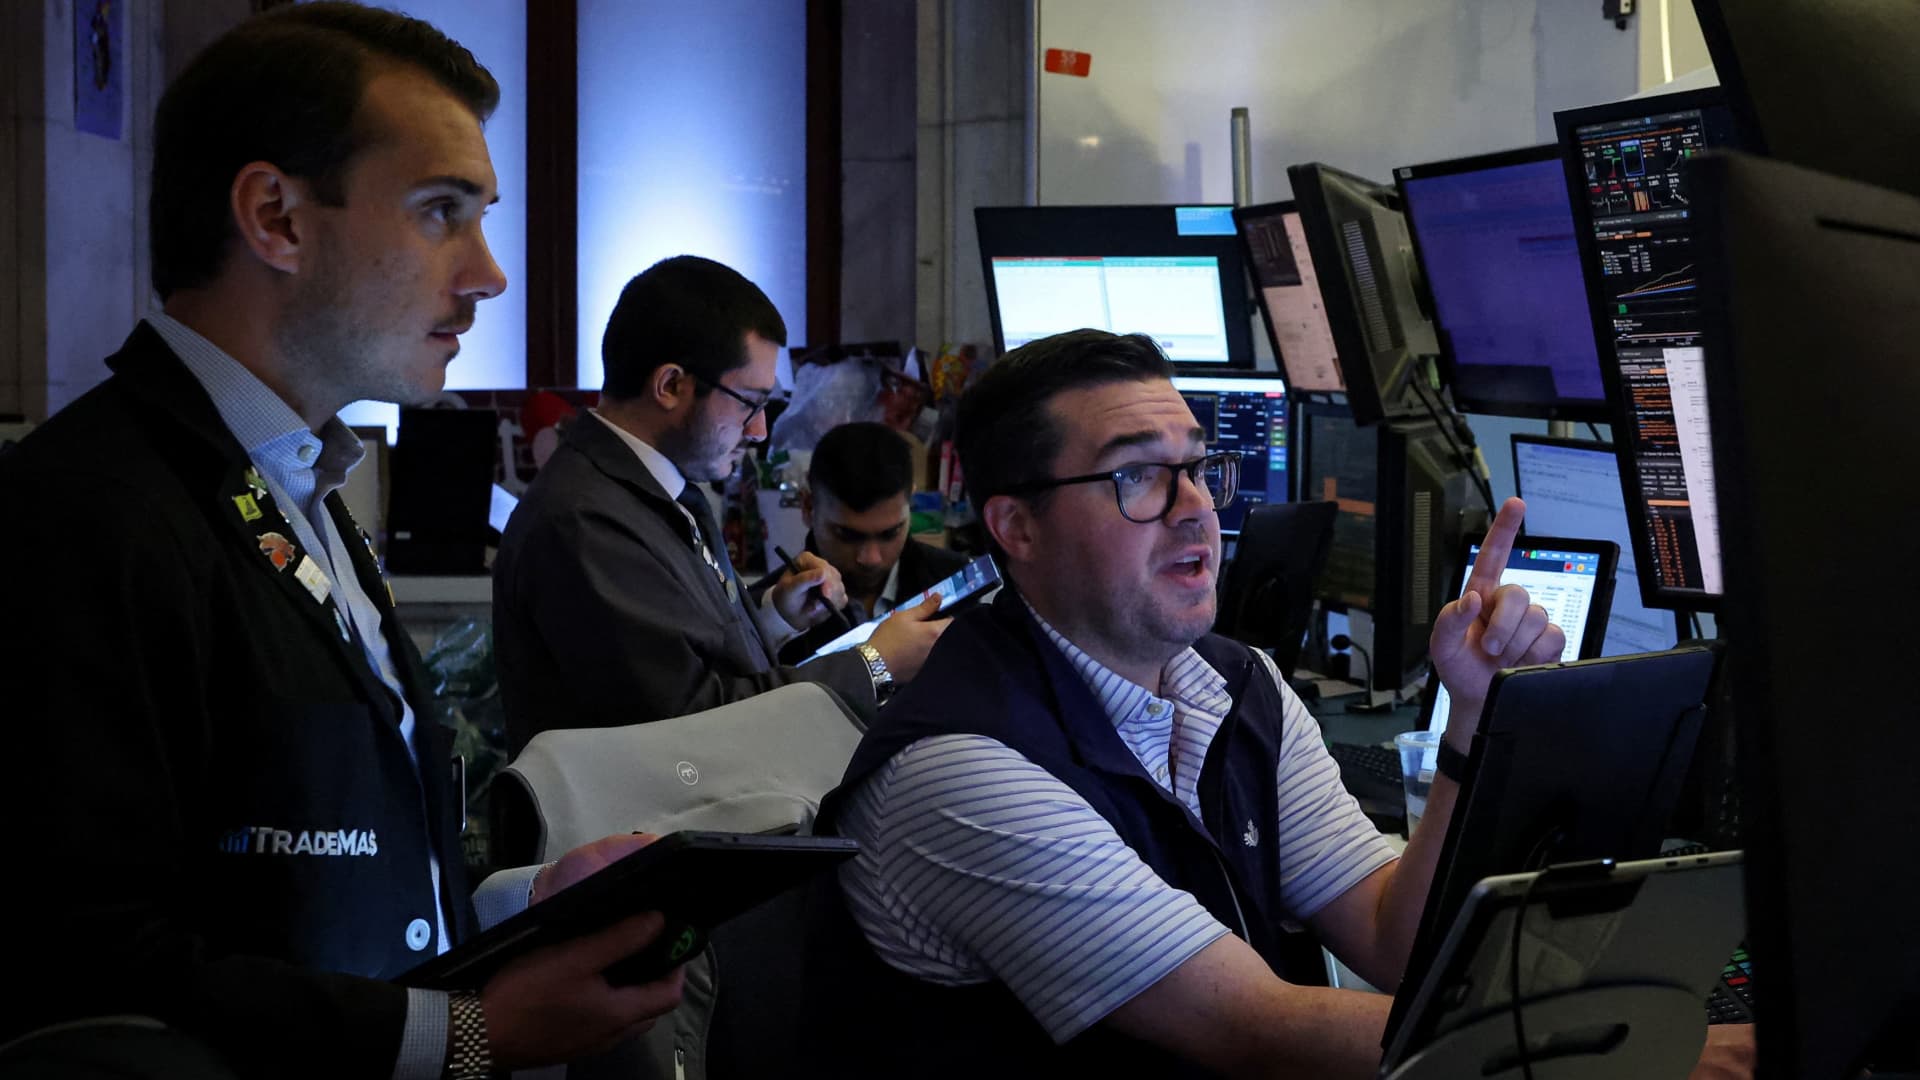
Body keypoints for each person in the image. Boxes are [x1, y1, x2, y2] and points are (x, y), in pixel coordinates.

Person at [0, 6, 683, 1076]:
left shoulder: (300, 479)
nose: (489, 273)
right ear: (275, 218)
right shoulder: (83, 511)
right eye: (440, 212)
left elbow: (293, 892)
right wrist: (465, 1038)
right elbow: (80, 958)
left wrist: (521, 911)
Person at [805, 329, 1753, 1077]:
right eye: (1137, 476)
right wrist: (1640, 1050)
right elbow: (1255, 1028)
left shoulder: (1236, 683)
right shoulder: (963, 771)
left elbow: (1394, 940)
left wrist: (1472, 714)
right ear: (1016, 525)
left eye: (1196, 467)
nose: (1195, 508)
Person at [492, 256, 949, 752]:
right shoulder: (585, 520)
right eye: (750, 402)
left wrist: (773, 618)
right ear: (670, 385)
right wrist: (875, 665)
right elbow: (691, 724)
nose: (760, 431)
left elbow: (683, 660)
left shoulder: (654, 489)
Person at [772, 421, 968, 665]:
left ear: (910, 502)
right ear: (808, 506)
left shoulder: (963, 584)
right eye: (847, 535)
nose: (870, 559)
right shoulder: (769, 619)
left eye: (890, 533)